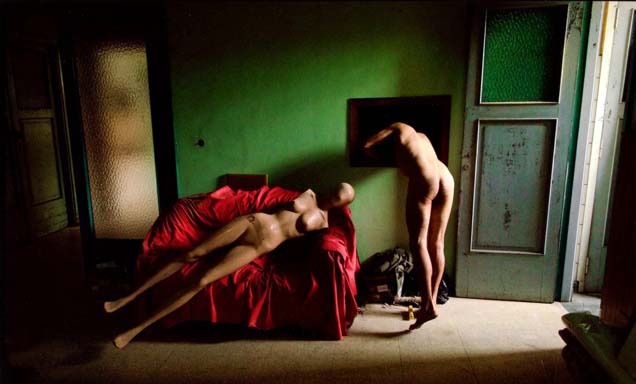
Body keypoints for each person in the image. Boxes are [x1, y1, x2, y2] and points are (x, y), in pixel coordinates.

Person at [105, 182, 356, 348]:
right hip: (252, 222)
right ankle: (127, 298)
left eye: (340, 198)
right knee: (192, 254)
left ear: (342, 204)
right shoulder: (308, 194)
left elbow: (321, 246)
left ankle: (136, 329)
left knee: (202, 280)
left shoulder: (324, 223)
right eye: (337, 191)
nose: (335, 197)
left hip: (259, 247)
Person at [363, 122, 454, 330]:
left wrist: (378, 157)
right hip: (445, 176)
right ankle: (431, 302)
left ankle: (428, 306)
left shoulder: (397, 127)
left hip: (426, 177)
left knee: (418, 242)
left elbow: (367, 145)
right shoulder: (421, 137)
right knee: (437, 243)